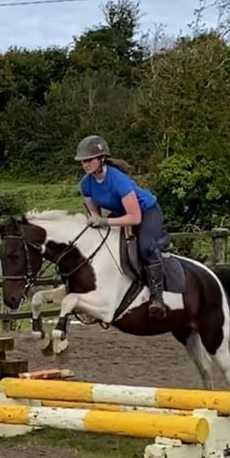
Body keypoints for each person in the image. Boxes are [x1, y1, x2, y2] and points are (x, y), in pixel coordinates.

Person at [74, 134, 171, 319]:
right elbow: (95, 214)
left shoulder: (119, 180)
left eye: (89, 160)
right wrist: (94, 220)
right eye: (82, 161)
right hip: (120, 213)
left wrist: (105, 222)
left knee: (146, 248)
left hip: (146, 211)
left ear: (102, 159)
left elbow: (135, 217)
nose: (85, 165)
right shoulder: (86, 183)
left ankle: (157, 298)